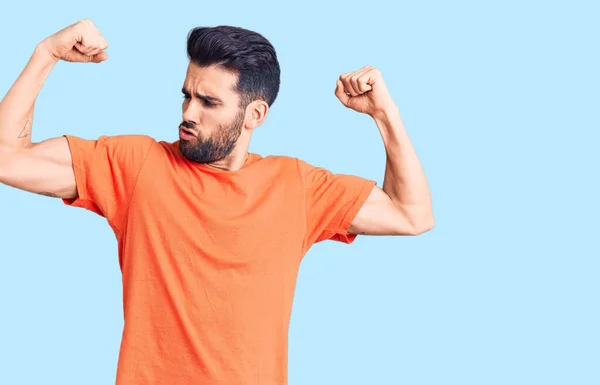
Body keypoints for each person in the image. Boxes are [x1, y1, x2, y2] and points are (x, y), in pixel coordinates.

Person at [0, 19, 434, 385]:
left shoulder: (296, 187)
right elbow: (8, 158)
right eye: (187, 95)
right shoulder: (136, 166)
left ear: (255, 115)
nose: (189, 112)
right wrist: (46, 54)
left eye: (209, 102)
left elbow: (411, 213)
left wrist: (384, 114)